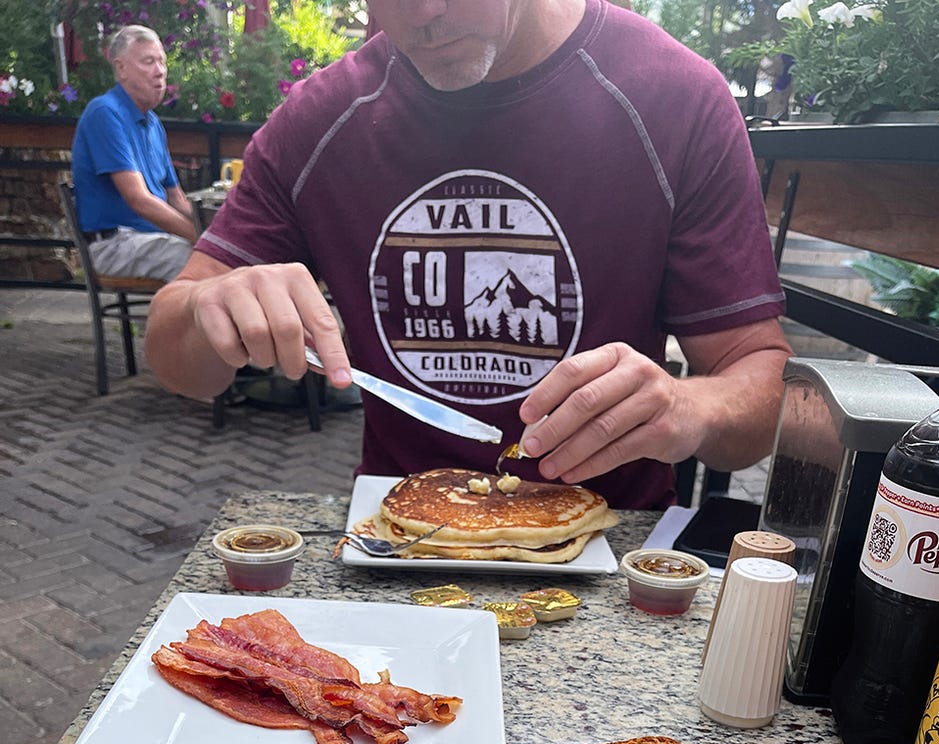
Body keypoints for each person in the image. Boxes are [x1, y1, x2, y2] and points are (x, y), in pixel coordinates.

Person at [145, 0, 791, 510]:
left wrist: (691, 409)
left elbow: (757, 385)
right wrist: (209, 308)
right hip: (399, 539)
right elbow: (173, 358)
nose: (424, 12)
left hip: (611, 542)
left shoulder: (675, 98)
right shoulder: (320, 122)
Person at [71, 25, 197, 282]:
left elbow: (177, 198)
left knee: (223, 258)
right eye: (148, 61)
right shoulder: (104, 113)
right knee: (205, 262)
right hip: (114, 244)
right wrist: (201, 237)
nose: (160, 71)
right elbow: (138, 199)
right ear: (121, 69)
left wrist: (220, 232)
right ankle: (174, 323)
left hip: (150, 239)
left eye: (162, 61)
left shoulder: (153, 124)